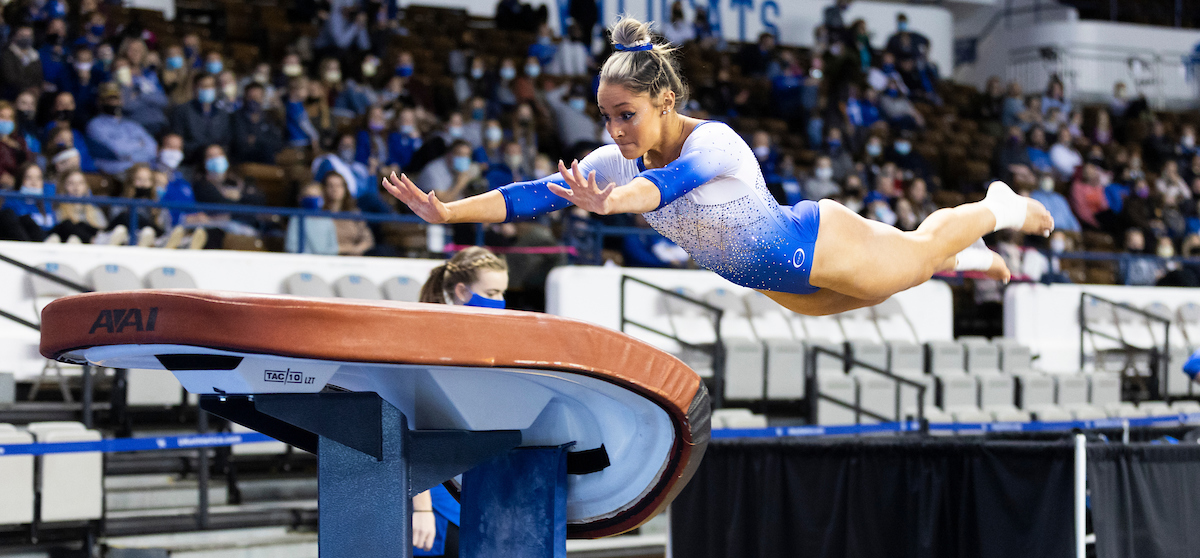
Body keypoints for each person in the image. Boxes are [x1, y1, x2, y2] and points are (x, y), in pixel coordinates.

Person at [384, 17, 1054, 316]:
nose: (613, 131)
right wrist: (449, 211)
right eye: (605, 116)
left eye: (626, 116)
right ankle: (967, 262)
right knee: (878, 291)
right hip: (772, 279)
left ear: (665, 101)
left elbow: (665, 186)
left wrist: (612, 203)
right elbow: (532, 195)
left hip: (813, 240)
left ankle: (1002, 206)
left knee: (911, 257)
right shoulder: (615, 159)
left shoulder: (716, 147)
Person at [411, 246, 509, 558]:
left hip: (457, 489)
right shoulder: (432, 343)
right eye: (492, 293)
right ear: (462, 292)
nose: (500, 301)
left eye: (503, 293)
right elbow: (411, 423)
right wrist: (420, 506)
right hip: (429, 492)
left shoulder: (478, 344)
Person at [86, 82, 158, 176]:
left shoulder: (130, 124)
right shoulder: (95, 125)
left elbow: (152, 148)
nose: (113, 103)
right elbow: (116, 150)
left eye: (116, 99)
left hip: (141, 168)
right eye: (109, 99)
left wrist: (130, 156)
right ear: (100, 101)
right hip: (114, 171)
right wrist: (139, 144)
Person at [170, 73, 233, 165]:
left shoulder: (222, 114)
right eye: (204, 86)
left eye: (211, 86)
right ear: (195, 88)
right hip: (190, 161)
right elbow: (178, 139)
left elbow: (226, 140)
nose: (208, 89)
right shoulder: (182, 111)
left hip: (215, 160)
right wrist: (203, 150)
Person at [322, 170, 376, 256]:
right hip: (327, 257)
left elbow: (368, 240)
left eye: (339, 186)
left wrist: (356, 249)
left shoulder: (355, 214)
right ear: (324, 189)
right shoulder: (319, 214)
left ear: (345, 189)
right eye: (330, 186)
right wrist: (343, 249)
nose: (335, 189)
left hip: (353, 259)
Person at [286, 181, 339, 254]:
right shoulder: (296, 219)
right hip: (302, 262)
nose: (312, 199)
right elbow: (292, 246)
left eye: (315, 196)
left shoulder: (327, 220)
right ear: (301, 198)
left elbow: (333, 247)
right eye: (308, 196)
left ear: (322, 199)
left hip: (324, 263)